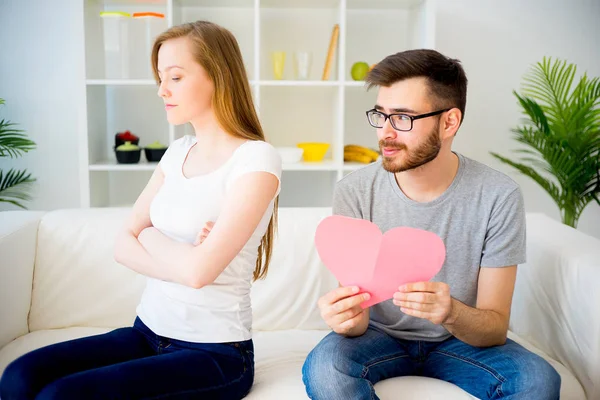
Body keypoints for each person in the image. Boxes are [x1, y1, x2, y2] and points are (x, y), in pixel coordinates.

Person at [0, 20, 281, 399]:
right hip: (146, 332)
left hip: (215, 354)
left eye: (176, 77)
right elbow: (123, 245)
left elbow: (199, 273)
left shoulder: (255, 160)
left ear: (218, 76)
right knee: (19, 376)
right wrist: (177, 254)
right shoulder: (178, 151)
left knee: (60, 395)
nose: (162, 90)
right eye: (160, 77)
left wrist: (150, 236)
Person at [301, 49, 561, 399]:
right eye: (381, 115)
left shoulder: (499, 196)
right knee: (325, 369)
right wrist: (347, 319)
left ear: (449, 122)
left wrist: (450, 311)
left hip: (459, 342)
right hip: (377, 337)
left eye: (403, 118)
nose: (386, 133)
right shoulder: (354, 191)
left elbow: (494, 328)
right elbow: (358, 313)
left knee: (538, 380)